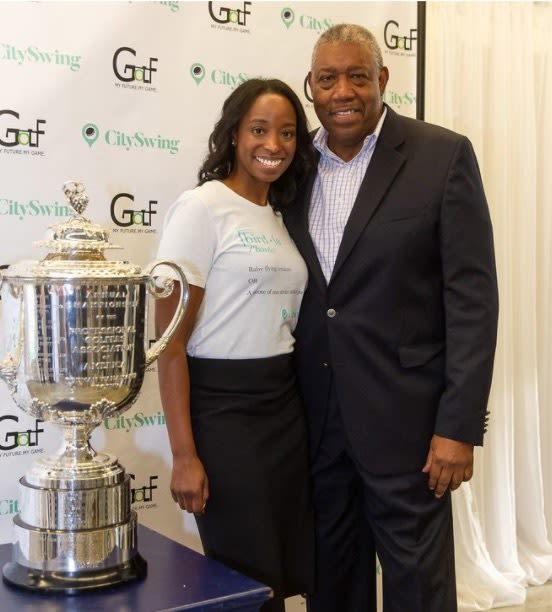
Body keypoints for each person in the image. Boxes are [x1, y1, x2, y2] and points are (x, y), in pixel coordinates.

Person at [281, 24, 499, 612]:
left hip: (410, 426)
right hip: (318, 420)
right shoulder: (292, 171)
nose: (342, 91)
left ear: (382, 79)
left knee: (418, 588)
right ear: (312, 87)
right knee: (333, 582)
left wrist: (458, 426)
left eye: (357, 75)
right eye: (327, 79)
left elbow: (473, 302)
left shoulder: (442, 156)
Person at [154, 78, 316, 612]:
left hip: (284, 410)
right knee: (244, 584)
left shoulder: (281, 216)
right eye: (259, 130)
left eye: (288, 133)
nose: (274, 145)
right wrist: (183, 455)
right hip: (223, 415)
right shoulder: (200, 208)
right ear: (233, 135)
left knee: (282, 575)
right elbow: (169, 344)